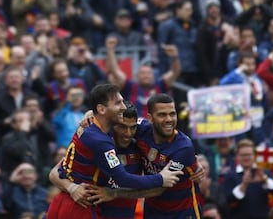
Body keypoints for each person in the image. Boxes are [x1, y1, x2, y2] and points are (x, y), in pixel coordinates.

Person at [46, 84, 181, 219]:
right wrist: (161, 178)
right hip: (79, 206)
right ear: (101, 109)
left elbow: (167, 136)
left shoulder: (91, 128)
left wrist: (187, 156)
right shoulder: (100, 140)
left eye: (132, 128)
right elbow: (122, 178)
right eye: (118, 103)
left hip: (66, 202)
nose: (122, 107)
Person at [88, 93, 203, 219]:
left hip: (182, 213)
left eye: (172, 114)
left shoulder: (182, 148)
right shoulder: (140, 129)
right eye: (162, 115)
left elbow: (159, 188)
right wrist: (91, 115)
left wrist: (114, 193)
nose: (169, 119)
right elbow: (118, 121)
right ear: (150, 118)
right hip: (152, 212)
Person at [106, 35, 180, 117]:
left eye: (148, 73)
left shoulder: (160, 85)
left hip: (155, 126)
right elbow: (115, 71)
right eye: (143, 73)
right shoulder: (130, 86)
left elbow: (175, 72)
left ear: (153, 75)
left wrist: (175, 57)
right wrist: (110, 50)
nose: (146, 76)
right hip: (134, 125)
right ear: (137, 76)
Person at [223, 139, 273, 219]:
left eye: (249, 155)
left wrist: (265, 179)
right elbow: (228, 199)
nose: (246, 158)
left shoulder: (263, 172)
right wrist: (244, 185)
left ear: (254, 155)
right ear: (237, 156)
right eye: (243, 155)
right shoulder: (230, 175)